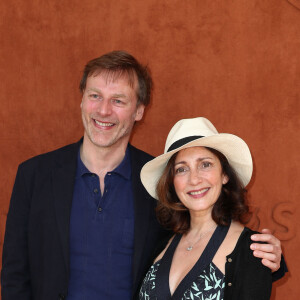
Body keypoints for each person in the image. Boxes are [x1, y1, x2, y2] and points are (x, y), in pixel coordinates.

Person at [1, 51, 285, 300]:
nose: (103, 110)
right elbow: (14, 274)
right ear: (82, 100)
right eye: (95, 96)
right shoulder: (34, 175)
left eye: (118, 100)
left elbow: (207, 237)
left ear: (139, 111)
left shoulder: (160, 185)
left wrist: (267, 260)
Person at [139, 117, 281, 300]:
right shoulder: (161, 243)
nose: (194, 179)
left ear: (224, 175)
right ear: (172, 182)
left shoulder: (252, 252)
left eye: (205, 164)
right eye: (182, 169)